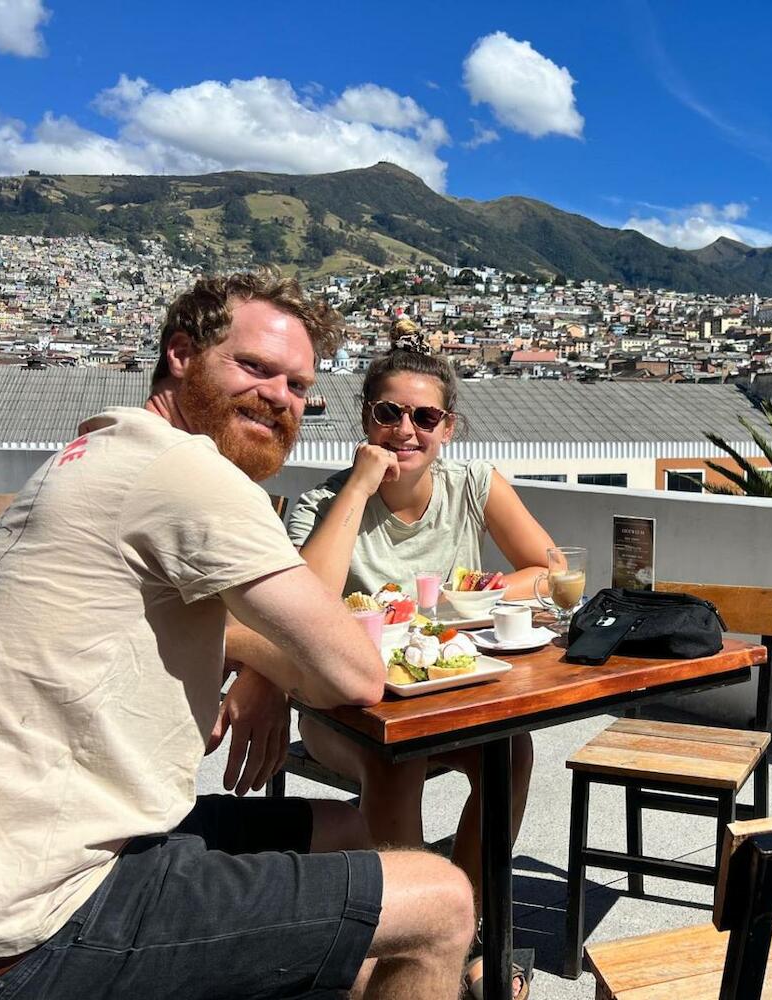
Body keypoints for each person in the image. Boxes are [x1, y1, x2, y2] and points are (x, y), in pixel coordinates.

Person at [0, 272, 475, 1000]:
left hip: (44, 844)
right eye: (254, 367)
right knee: (440, 899)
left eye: (299, 385)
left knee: (347, 827)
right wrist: (256, 655)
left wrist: (246, 653)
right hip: (37, 911)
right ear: (180, 354)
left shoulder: (91, 453)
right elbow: (353, 675)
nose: (280, 396)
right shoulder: (188, 470)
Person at [286, 319, 554, 998]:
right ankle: (404, 941)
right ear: (366, 418)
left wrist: (465, 596)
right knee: (394, 763)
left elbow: (547, 570)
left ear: (448, 427)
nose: (407, 430)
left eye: (425, 416)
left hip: (445, 695)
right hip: (342, 712)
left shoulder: (473, 486)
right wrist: (358, 486)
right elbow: (305, 607)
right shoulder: (323, 503)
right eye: (389, 413)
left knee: (510, 751)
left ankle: (467, 926)